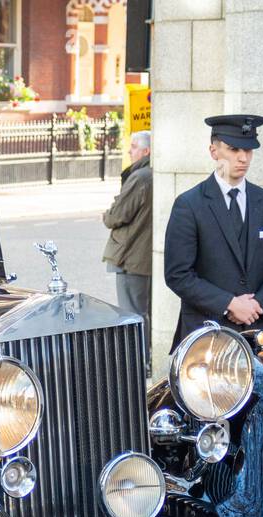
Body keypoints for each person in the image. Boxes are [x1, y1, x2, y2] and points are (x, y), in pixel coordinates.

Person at [162, 114, 263, 352]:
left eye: (249, 150)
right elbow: (177, 274)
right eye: (234, 149)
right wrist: (229, 304)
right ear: (214, 152)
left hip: (256, 335)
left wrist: (257, 305)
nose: (243, 158)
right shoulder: (189, 204)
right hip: (205, 337)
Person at [103, 131, 153, 367]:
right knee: (144, 312)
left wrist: (106, 215)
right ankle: (146, 359)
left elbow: (117, 216)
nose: (129, 151)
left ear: (146, 151)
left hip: (130, 256)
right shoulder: (153, 174)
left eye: (134, 147)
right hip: (145, 256)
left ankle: (137, 363)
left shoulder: (140, 177)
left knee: (132, 314)